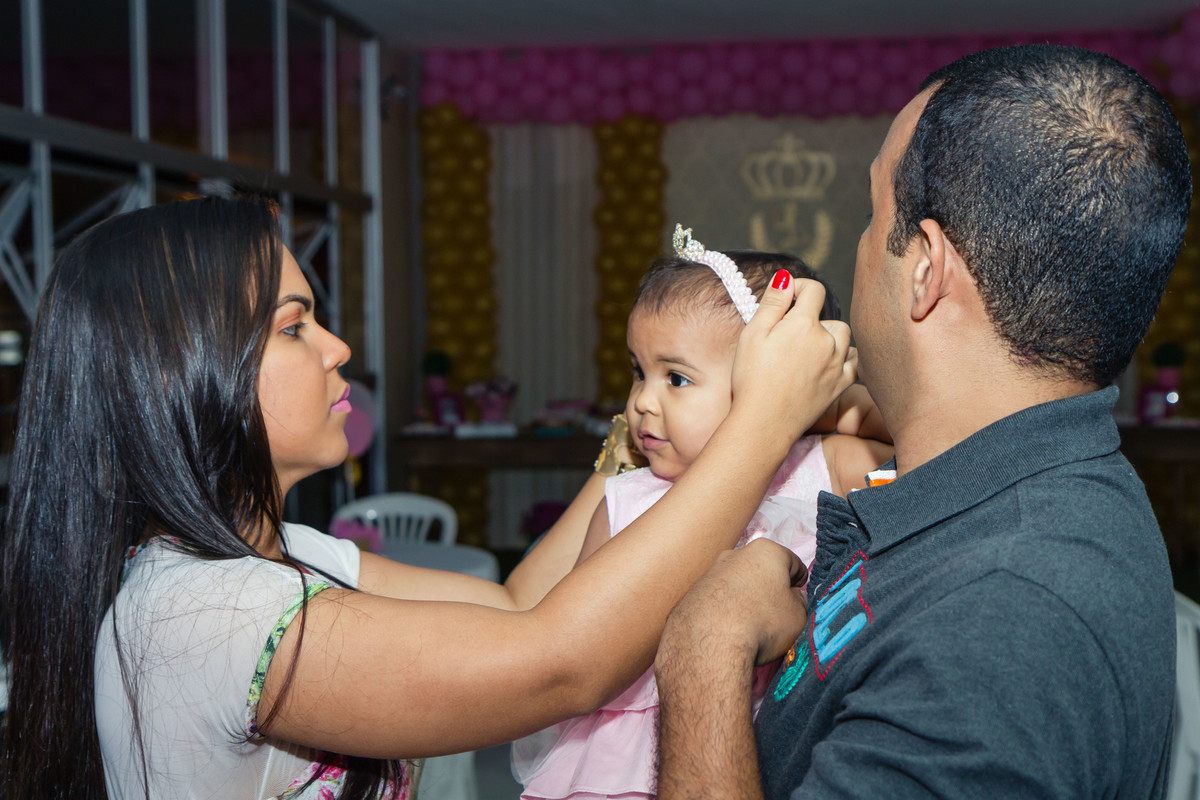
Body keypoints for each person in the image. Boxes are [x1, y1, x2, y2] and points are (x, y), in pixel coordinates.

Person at [0, 195, 856, 800]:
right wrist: (762, 425)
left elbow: (520, 602)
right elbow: (557, 663)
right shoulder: (203, 613)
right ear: (181, 374)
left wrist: (664, 422)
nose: (338, 348)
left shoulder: (283, 560)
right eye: (295, 327)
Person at [654, 44, 1190, 799]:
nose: (860, 247)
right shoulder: (1004, 495)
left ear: (925, 269)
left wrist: (701, 649)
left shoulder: (1003, 625)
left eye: (874, 216)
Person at [513, 230, 893, 800]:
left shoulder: (820, 466)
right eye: (639, 371)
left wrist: (840, 404)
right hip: (628, 763)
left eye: (677, 378)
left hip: (788, 738)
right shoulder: (626, 497)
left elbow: (926, 442)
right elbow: (584, 624)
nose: (642, 400)